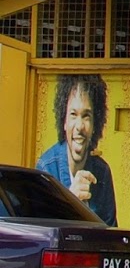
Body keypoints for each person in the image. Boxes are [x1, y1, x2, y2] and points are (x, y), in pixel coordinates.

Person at [36, 74, 117, 226]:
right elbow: (40, 233)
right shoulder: (46, 168)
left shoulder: (102, 172)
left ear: (95, 125)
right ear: (64, 122)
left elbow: (110, 236)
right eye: (73, 115)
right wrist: (70, 201)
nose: (79, 126)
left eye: (86, 116)